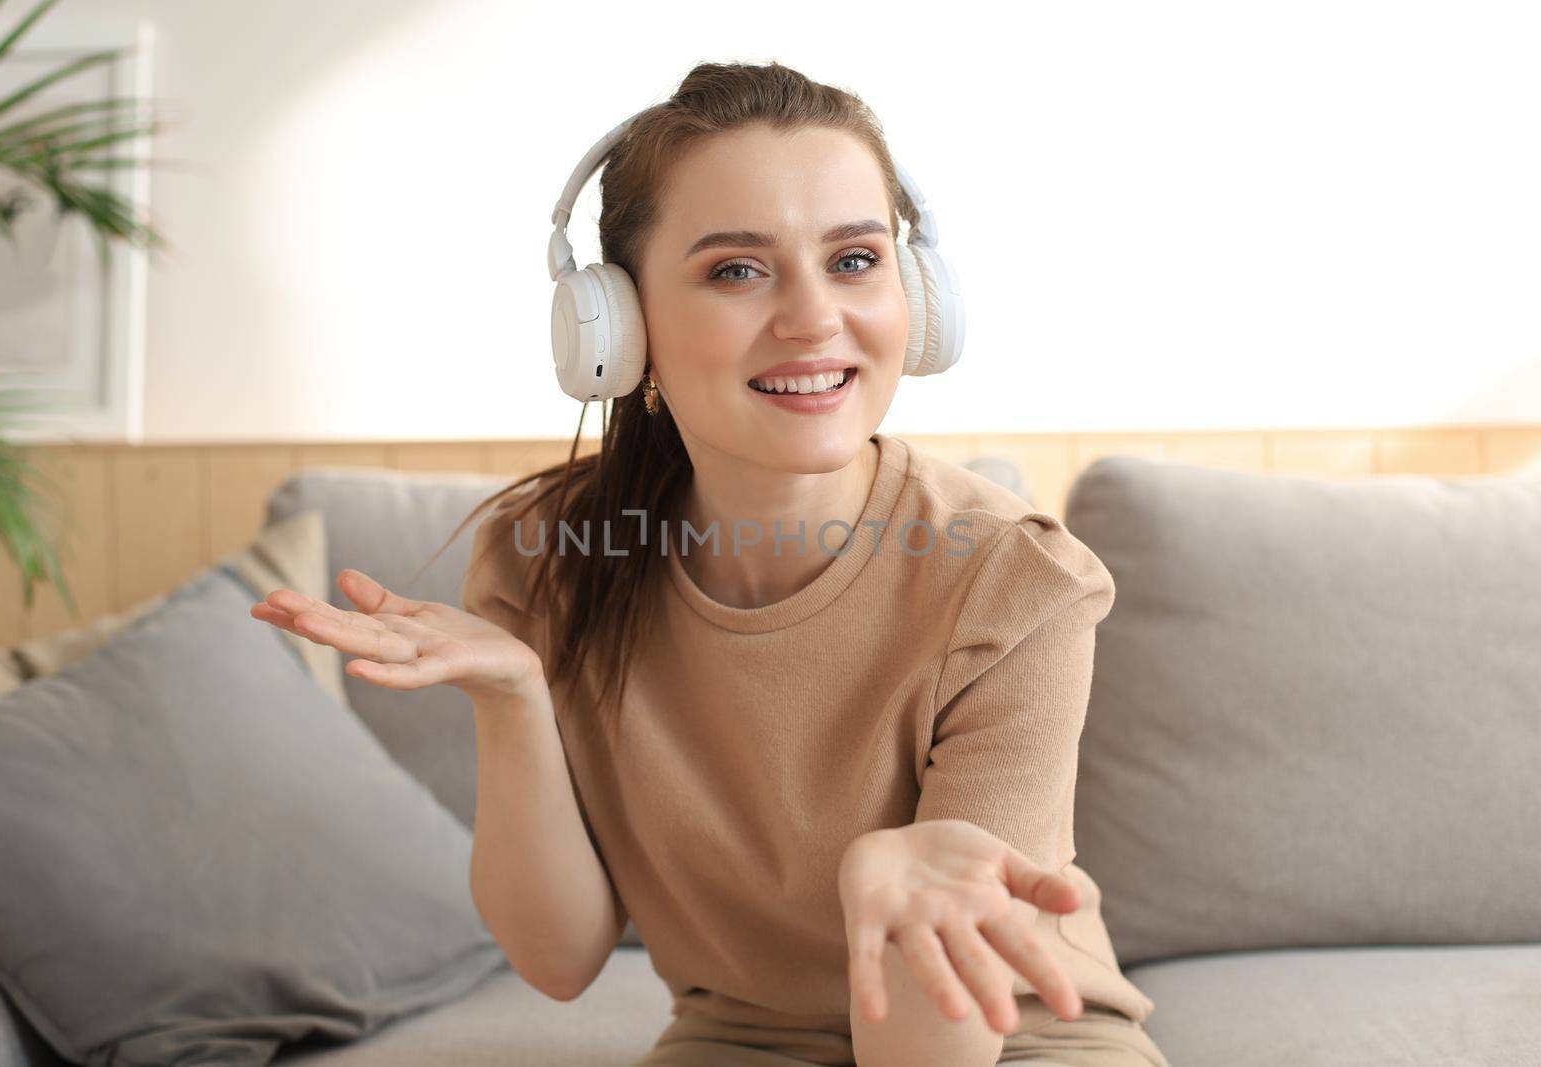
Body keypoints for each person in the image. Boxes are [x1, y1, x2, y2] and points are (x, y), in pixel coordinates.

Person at [251, 60, 1172, 1067]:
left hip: (1012, 1039)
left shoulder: (1017, 581)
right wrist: (514, 697)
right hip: (738, 1036)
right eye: (737, 269)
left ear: (915, 295)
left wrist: (907, 905)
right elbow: (557, 960)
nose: (814, 317)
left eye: (855, 260)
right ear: (619, 327)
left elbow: (937, 1049)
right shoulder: (542, 559)